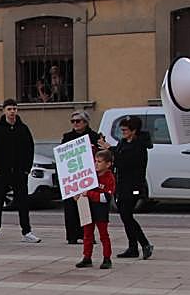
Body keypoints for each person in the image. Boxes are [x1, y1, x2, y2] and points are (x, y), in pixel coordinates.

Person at [0, 99, 40, 244]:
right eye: (9, 109)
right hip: (2, 172)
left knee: (23, 203)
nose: (12, 112)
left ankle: (27, 232)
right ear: (4, 110)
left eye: (14, 109)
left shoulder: (23, 129)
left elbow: (29, 149)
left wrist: (26, 170)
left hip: (19, 172)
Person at [102, 116, 153, 259]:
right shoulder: (123, 142)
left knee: (126, 215)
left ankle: (144, 244)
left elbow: (126, 161)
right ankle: (133, 247)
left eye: (125, 130)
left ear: (134, 130)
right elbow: (118, 156)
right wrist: (109, 148)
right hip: (122, 184)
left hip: (134, 185)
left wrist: (111, 151)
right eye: (122, 130)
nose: (122, 132)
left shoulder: (139, 145)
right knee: (125, 216)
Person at [61, 111, 101, 244]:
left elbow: (101, 156)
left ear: (85, 122)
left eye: (78, 121)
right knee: (71, 208)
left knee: (87, 207)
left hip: (87, 177)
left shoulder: (94, 137)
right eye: (73, 121)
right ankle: (72, 235)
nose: (75, 124)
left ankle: (87, 235)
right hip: (72, 177)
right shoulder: (67, 137)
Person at [74, 150, 114, 269]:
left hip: (101, 210)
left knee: (103, 235)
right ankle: (87, 257)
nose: (96, 164)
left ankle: (107, 258)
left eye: (99, 162)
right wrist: (78, 194)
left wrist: (90, 194)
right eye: (95, 161)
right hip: (88, 207)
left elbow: (106, 197)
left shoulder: (109, 178)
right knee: (87, 234)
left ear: (108, 164)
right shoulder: (90, 175)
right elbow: (81, 188)